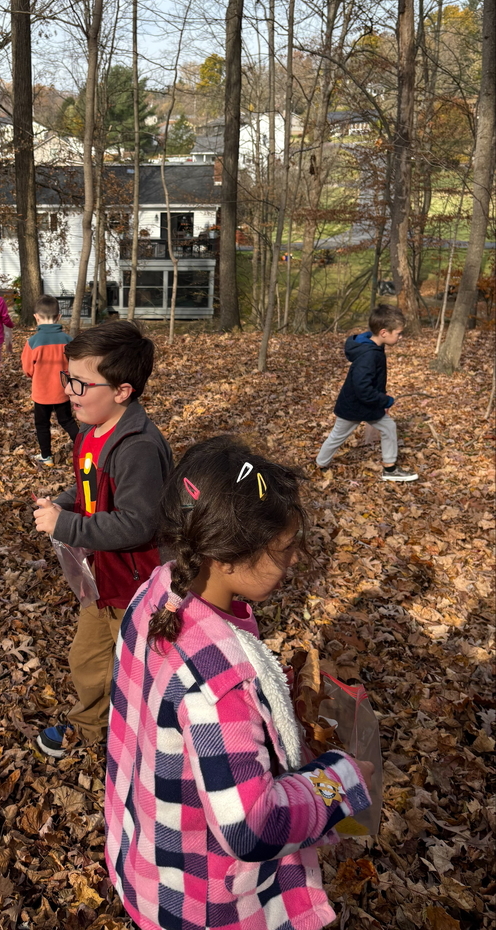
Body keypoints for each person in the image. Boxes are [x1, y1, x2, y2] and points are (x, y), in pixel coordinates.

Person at [105, 436, 374, 930]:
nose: (292, 561)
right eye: (284, 549)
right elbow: (253, 826)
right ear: (226, 558)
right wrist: (344, 782)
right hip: (207, 903)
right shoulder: (220, 683)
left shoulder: (159, 591)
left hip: (147, 856)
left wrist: (268, 699)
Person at [32, 320, 172, 758]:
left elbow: (137, 524)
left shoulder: (137, 448)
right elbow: (88, 484)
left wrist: (66, 526)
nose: (69, 391)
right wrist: (64, 503)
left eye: (80, 383)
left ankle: (153, 741)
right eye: (66, 378)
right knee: (88, 659)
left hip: (139, 585)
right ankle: (93, 729)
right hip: (104, 579)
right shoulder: (90, 433)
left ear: (122, 391)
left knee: (147, 669)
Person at [316, 304, 418, 481]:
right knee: (337, 436)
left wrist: (380, 401)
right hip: (354, 405)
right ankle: (320, 464)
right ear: (384, 332)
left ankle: (390, 468)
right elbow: (362, 387)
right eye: (398, 333)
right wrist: (385, 400)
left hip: (368, 404)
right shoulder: (368, 355)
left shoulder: (373, 347)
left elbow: (374, 381)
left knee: (388, 427)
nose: (400, 337)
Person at [21, 294, 79, 467]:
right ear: (58, 317)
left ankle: (46, 456)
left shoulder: (32, 342)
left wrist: (37, 375)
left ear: (36, 317)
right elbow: (75, 365)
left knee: (42, 424)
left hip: (42, 393)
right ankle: (84, 447)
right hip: (63, 390)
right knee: (67, 420)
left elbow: (27, 369)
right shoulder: (68, 341)